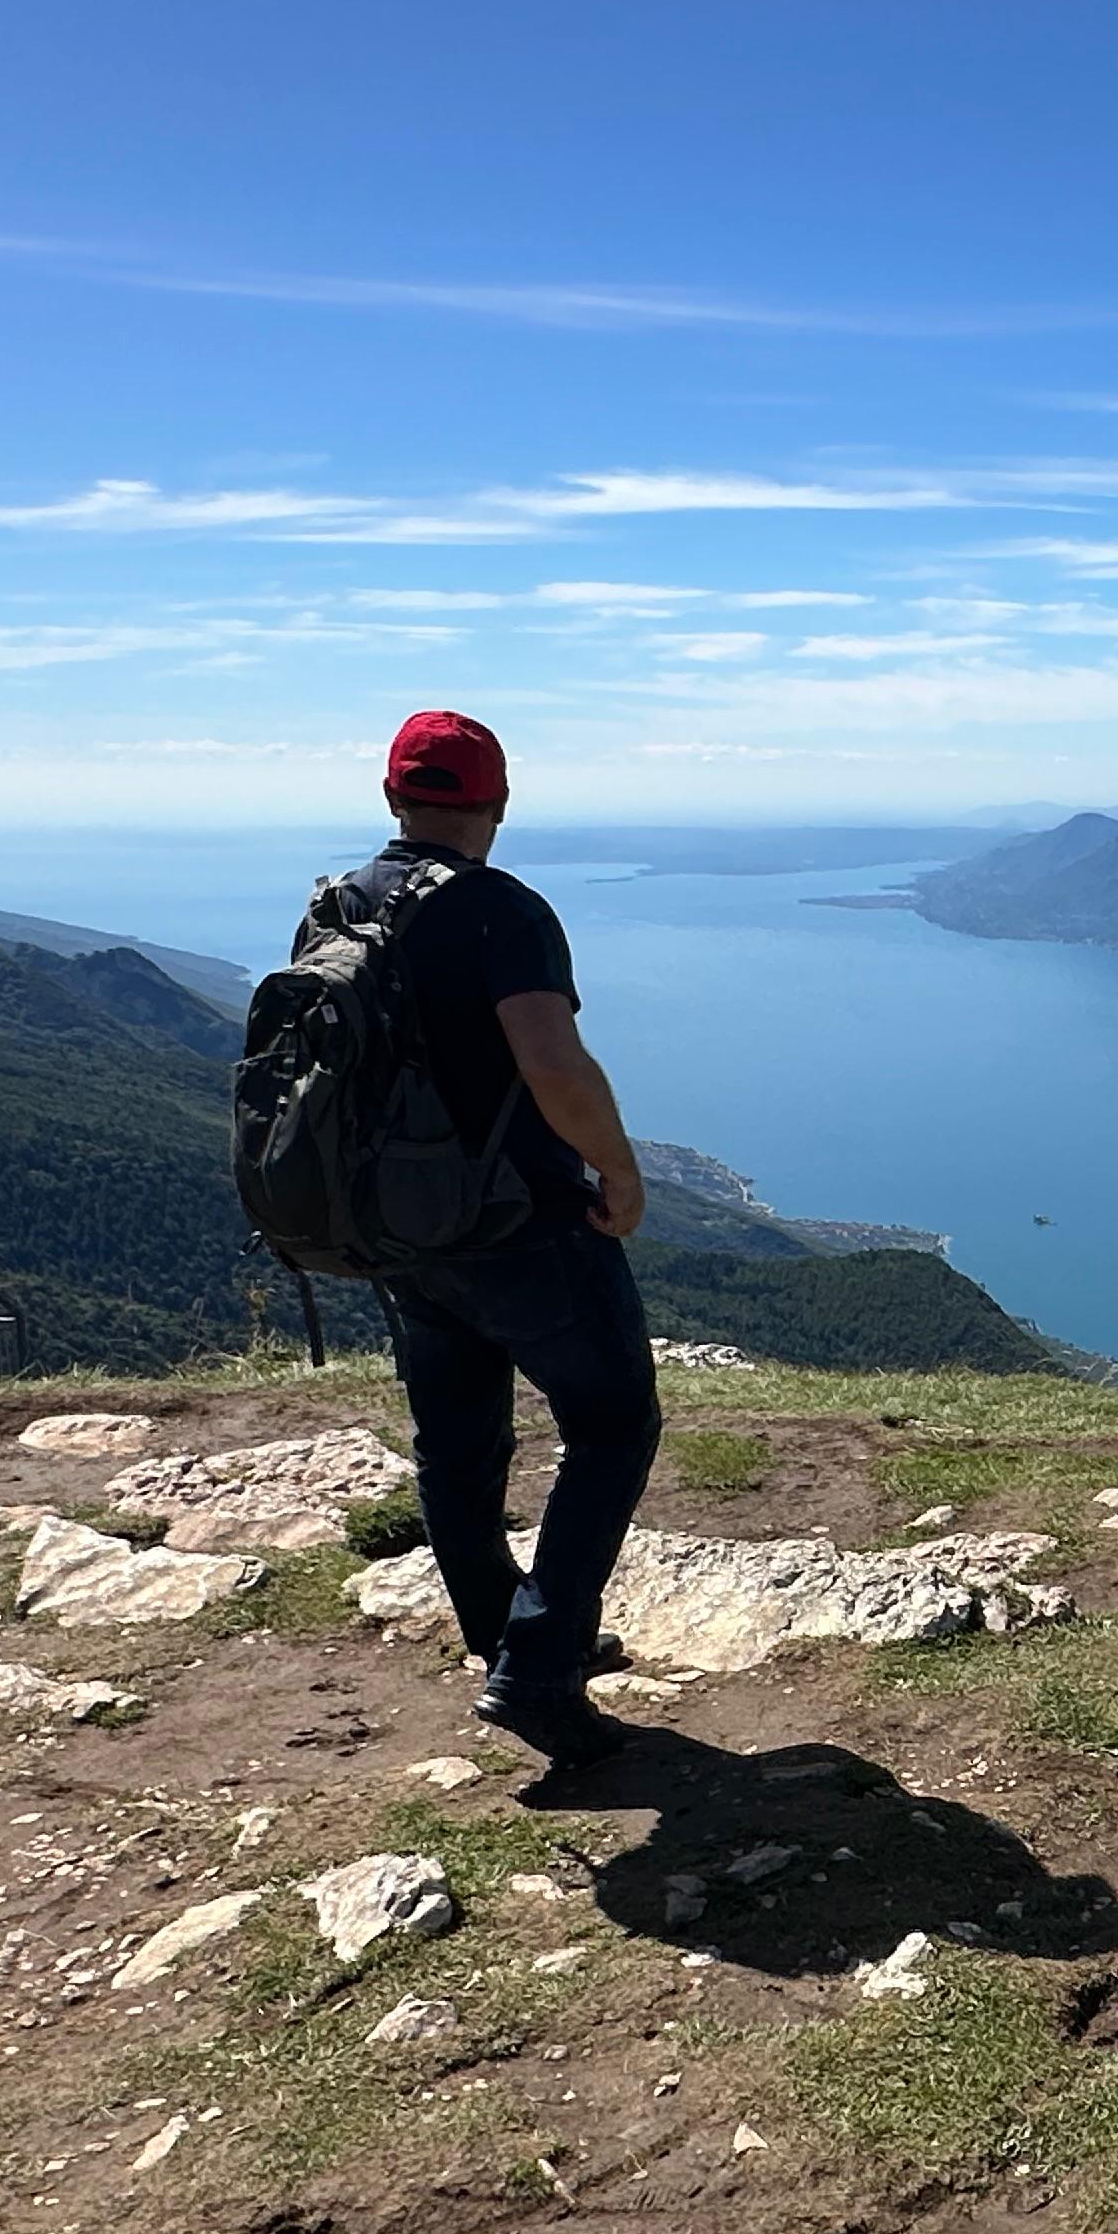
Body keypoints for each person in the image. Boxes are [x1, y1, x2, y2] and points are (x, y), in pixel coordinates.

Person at [340, 709, 660, 1770]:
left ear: (393, 797)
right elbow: (552, 1063)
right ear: (499, 804)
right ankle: (534, 1669)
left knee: (459, 1447)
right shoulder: (499, 912)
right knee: (613, 1423)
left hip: (398, 1230)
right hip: (518, 1224)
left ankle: (510, 1638)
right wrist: (617, 1170)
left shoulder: (341, 905)